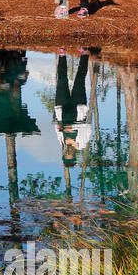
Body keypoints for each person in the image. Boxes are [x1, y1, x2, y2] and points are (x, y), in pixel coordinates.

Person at [53, 50, 93, 189]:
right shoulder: (81, 143)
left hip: (62, 108)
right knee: (79, 79)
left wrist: (60, 127)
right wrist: (73, 128)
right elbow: (88, 127)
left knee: (62, 80)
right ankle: (84, 54)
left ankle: (62, 54)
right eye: (70, 156)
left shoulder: (62, 141)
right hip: (77, 107)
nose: (68, 153)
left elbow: (56, 126)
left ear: (63, 154)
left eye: (66, 155)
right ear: (74, 155)